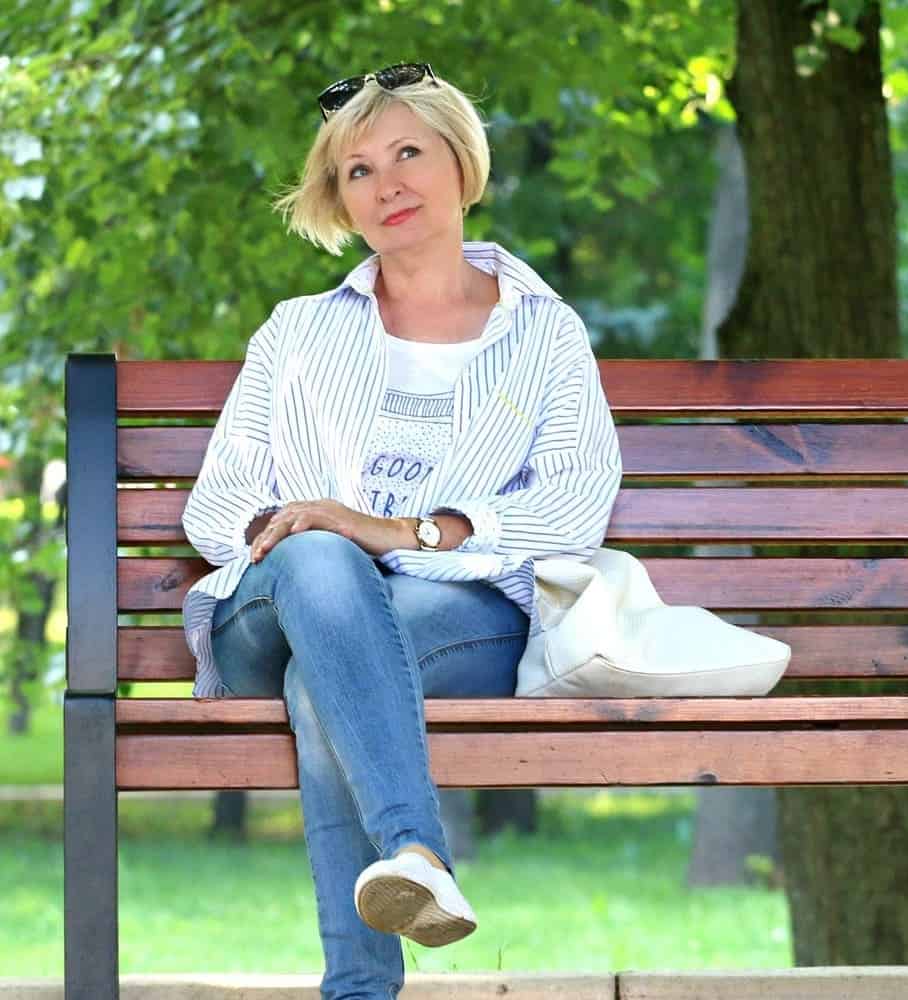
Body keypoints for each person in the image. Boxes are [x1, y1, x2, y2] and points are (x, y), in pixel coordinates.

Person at [179, 63, 623, 1000]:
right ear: (339, 201)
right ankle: (415, 844)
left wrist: (397, 531)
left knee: (325, 675)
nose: (388, 185)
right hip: (268, 609)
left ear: (462, 162)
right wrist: (319, 535)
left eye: (409, 153)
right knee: (319, 563)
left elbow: (578, 502)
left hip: (455, 619)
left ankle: (363, 985)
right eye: (358, 170)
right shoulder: (296, 332)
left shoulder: (546, 335)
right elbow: (217, 505)